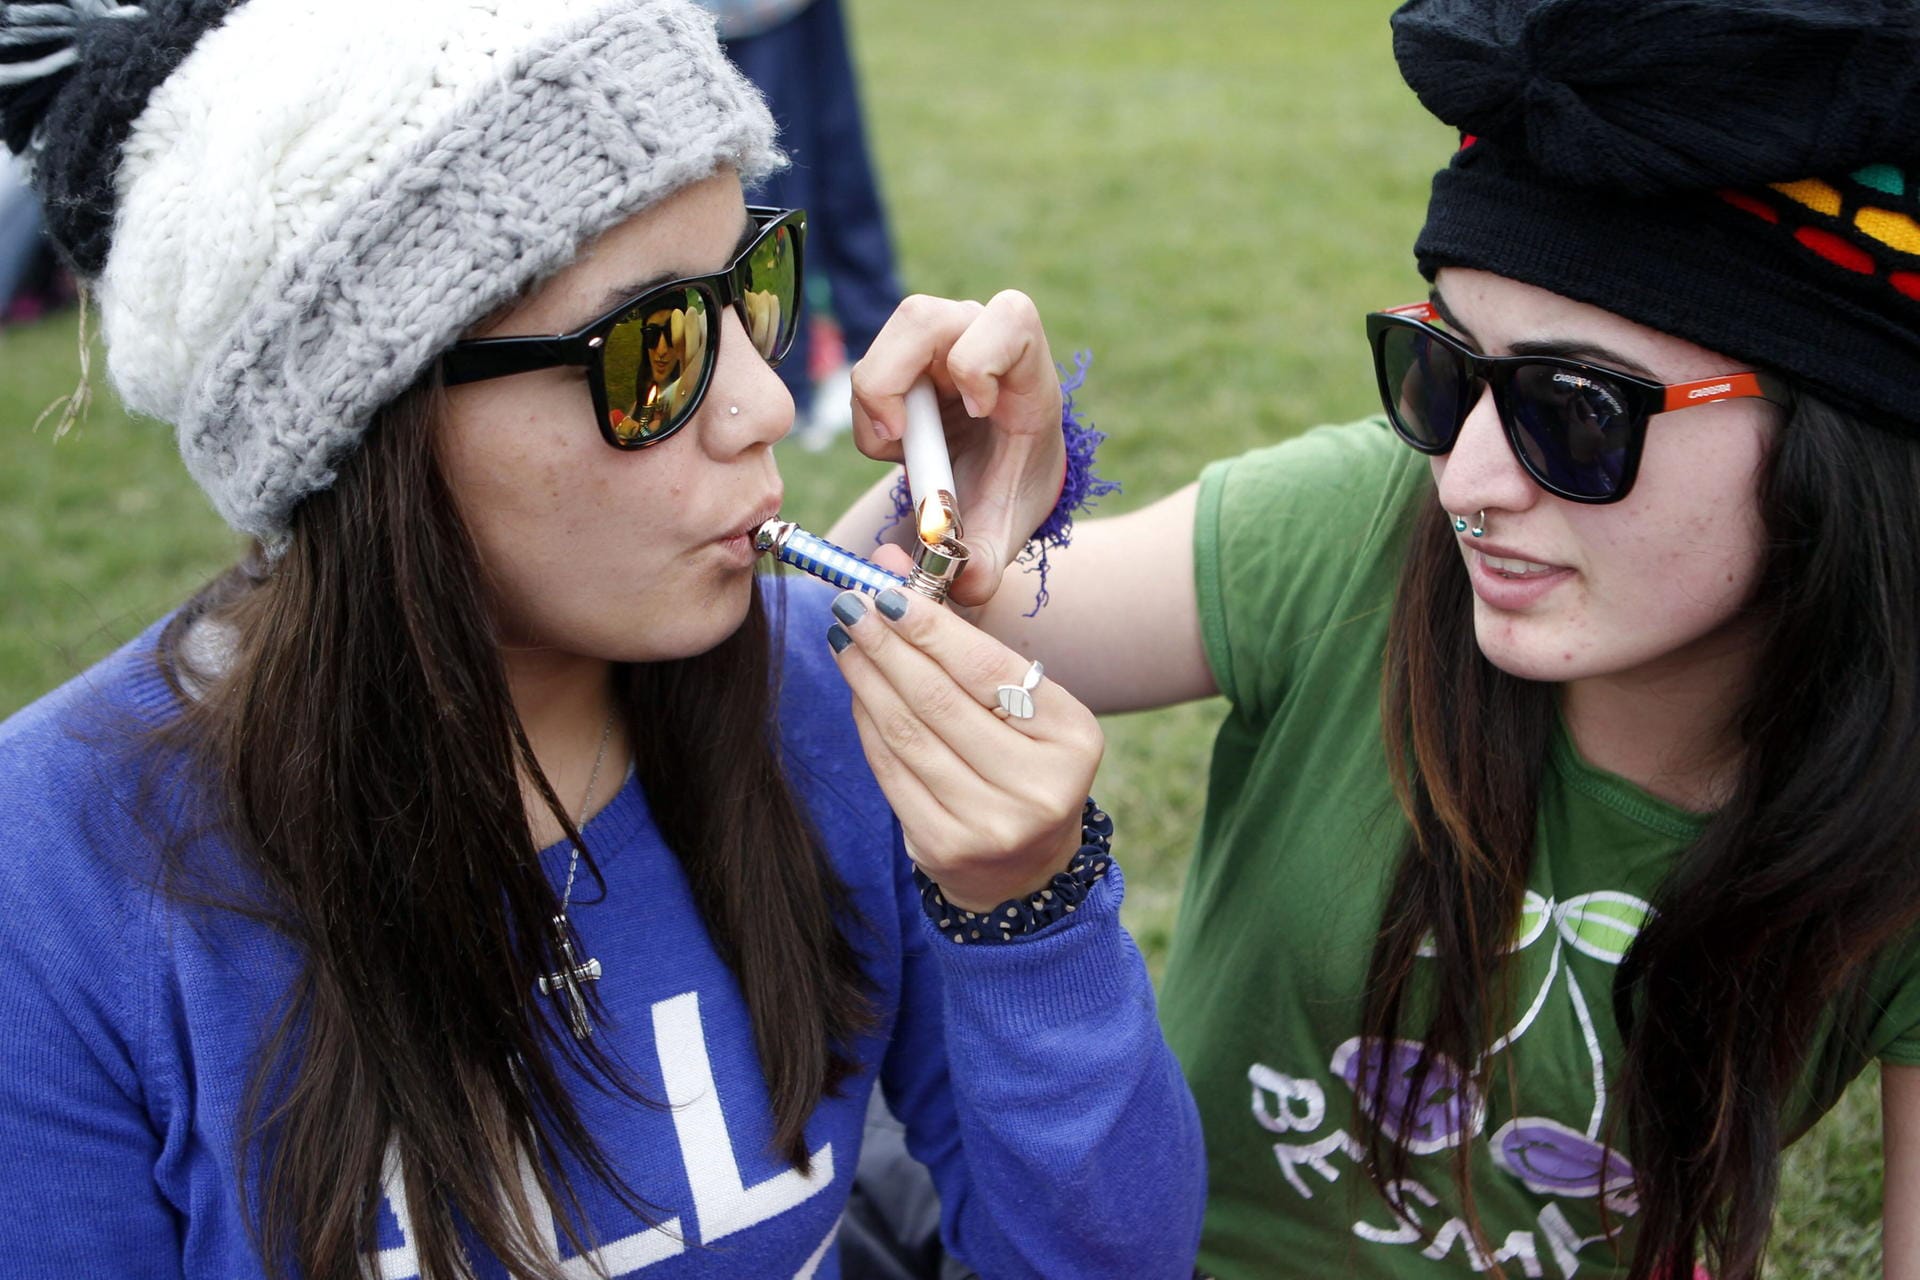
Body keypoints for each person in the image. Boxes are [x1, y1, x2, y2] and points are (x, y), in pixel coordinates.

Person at [0, 2, 1206, 1278]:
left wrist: (1032, 912)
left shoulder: (819, 700)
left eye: (753, 288)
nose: (757, 403)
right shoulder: (59, 874)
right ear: (368, 427)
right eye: (655, 347)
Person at [833, 0, 1920, 1275]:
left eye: (1574, 410)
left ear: (1835, 441)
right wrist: (952, 489)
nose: (1463, 481)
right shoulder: (1370, 527)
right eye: (1446, 371)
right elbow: (872, 608)